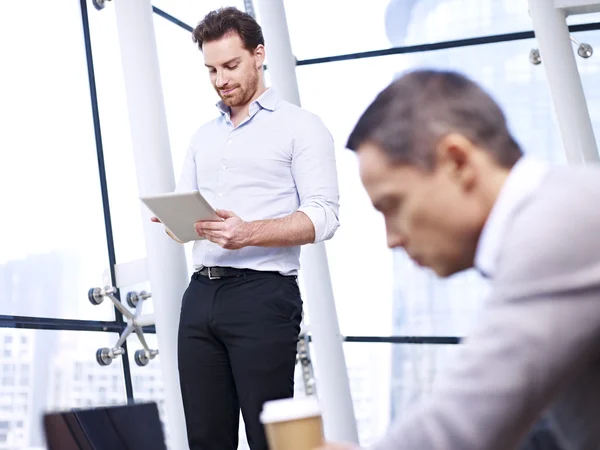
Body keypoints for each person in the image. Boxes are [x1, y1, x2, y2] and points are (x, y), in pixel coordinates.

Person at [317, 69, 600, 450]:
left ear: (457, 162)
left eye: (392, 205)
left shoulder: (557, 227)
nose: (392, 238)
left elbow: (462, 427)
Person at [151, 7, 340, 450]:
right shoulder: (202, 136)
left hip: (263, 296)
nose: (220, 79)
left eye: (231, 66)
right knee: (205, 438)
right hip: (200, 296)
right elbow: (190, 221)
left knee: (269, 440)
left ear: (259, 55)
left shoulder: (301, 127)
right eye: (212, 69)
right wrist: (178, 223)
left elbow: (325, 216)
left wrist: (247, 233)